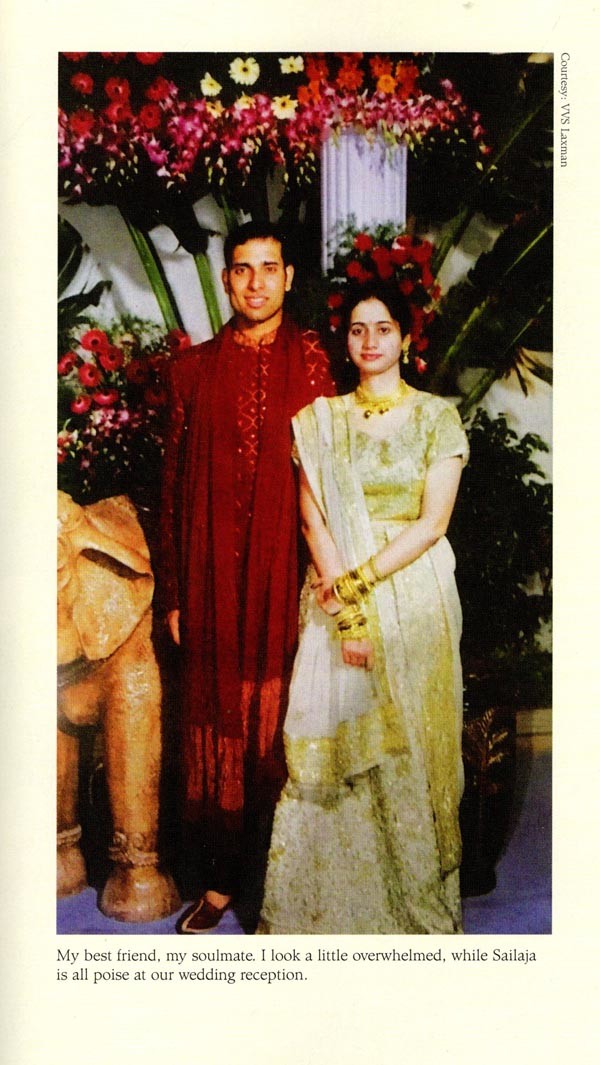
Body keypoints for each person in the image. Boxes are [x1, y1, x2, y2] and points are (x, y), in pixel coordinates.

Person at [258, 279, 469, 934]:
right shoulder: (319, 421)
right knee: (342, 742)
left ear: (404, 338)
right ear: (344, 342)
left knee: (415, 744)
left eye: (383, 328)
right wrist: (346, 607)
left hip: (416, 592)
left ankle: (414, 899)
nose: (370, 340)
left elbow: (433, 523)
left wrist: (360, 581)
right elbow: (312, 520)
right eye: (357, 329)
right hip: (335, 595)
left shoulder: (437, 418)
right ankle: (338, 906)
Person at [160, 221, 335, 933]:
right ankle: (220, 881)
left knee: (283, 716)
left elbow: (334, 479)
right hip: (210, 574)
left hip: (289, 574)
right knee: (219, 721)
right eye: (242, 269)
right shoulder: (192, 370)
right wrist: (175, 593)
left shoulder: (317, 364)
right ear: (227, 279)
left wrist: (331, 579)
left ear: (289, 277)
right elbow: (172, 486)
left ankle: (281, 881)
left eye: (269, 267)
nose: (256, 282)